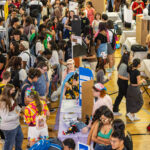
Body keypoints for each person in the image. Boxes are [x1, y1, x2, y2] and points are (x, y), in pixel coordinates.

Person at [0, 84, 24, 150]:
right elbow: (5, 118)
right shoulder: (3, 102)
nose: (14, 92)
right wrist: (17, 116)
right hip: (9, 127)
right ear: (8, 91)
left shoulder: (10, 98)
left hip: (16, 124)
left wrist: (20, 110)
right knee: (9, 145)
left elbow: (14, 107)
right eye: (13, 90)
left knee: (20, 138)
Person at [113, 52, 131, 116]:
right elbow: (119, 76)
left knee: (120, 96)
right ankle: (129, 113)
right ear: (127, 57)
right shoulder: (123, 65)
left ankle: (115, 110)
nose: (131, 56)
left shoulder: (126, 64)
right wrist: (128, 79)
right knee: (125, 97)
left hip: (123, 82)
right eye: (130, 56)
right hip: (122, 82)